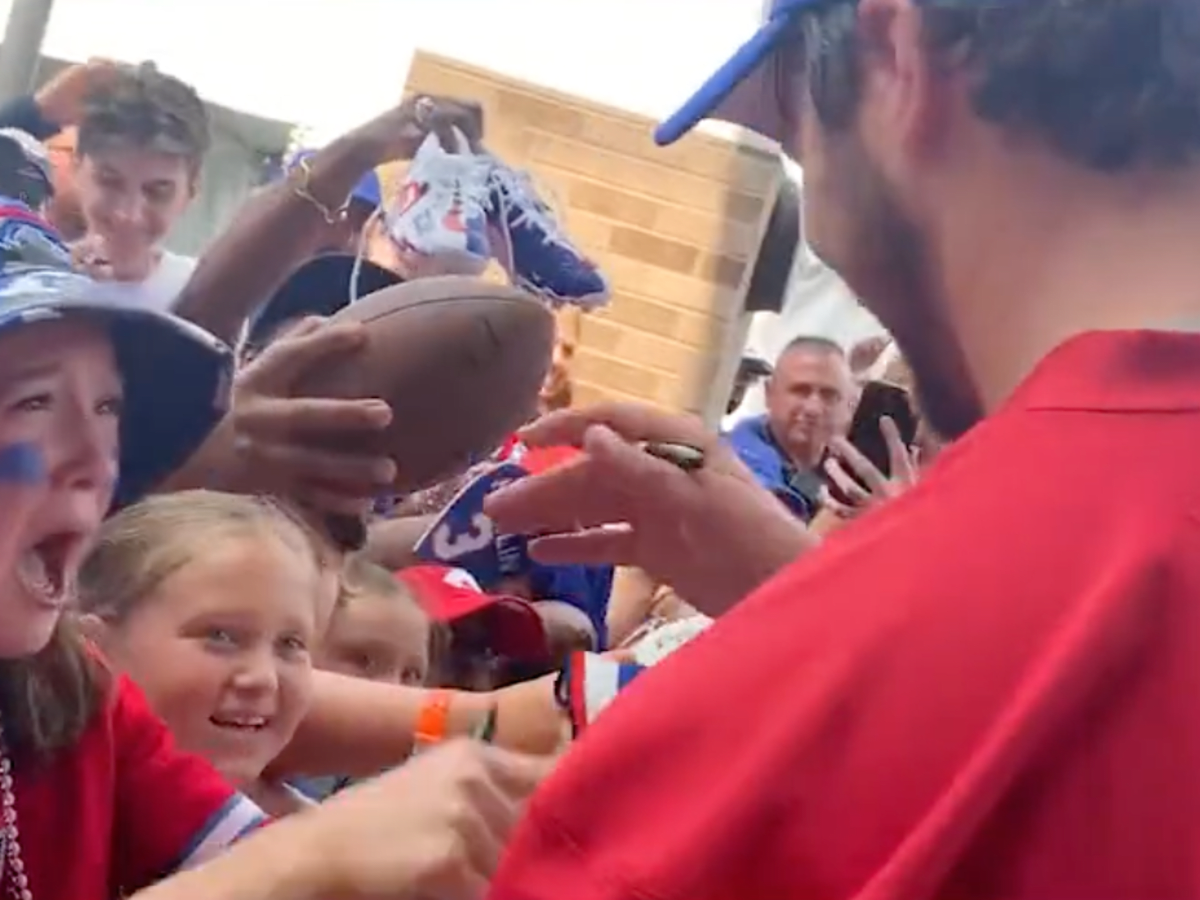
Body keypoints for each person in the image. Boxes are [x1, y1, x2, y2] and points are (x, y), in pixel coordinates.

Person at [482, 0, 1200, 897]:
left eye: (796, 140)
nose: (818, 220)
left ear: (896, 54)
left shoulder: (712, 796)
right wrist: (815, 600)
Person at [76, 490, 335, 817]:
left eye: (291, 644)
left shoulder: (309, 839)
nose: (263, 678)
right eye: (220, 636)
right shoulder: (41, 816)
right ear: (95, 646)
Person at [69, 63, 209, 308]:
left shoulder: (206, 293)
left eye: (158, 192)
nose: (128, 215)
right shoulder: (25, 276)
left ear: (192, 191)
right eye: (110, 181)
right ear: (77, 167)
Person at [725, 334, 854, 520]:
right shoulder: (735, 461)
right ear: (769, 394)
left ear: (849, 407)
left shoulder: (846, 469)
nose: (813, 408)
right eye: (800, 391)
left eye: (829, 395)